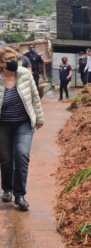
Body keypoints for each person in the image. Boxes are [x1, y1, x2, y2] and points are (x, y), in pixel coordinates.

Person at [0, 46, 44, 211]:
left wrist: (39, 118)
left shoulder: (24, 74)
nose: (13, 62)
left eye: (14, 58)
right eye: (8, 60)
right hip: (3, 124)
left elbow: (34, 96)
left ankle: (19, 195)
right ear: (0, 63)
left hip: (23, 123)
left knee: (22, 155)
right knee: (5, 158)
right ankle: (7, 189)